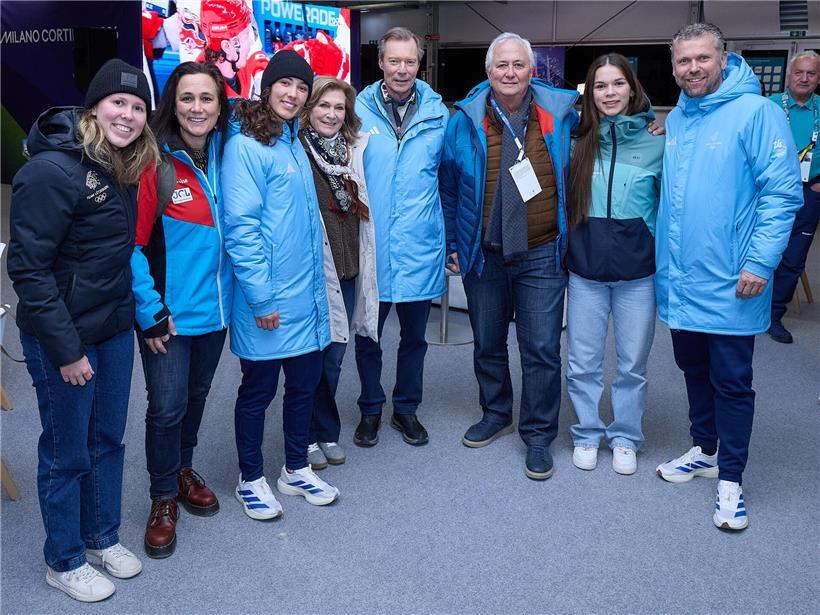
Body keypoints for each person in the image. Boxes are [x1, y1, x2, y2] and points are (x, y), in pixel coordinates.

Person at [7, 59, 158, 601]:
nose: (128, 114)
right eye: (118, 102)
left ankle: (100, 536)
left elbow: (114, 259)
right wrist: (68, 351)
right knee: (67, 450)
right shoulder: (51, 170)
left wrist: (140, 318)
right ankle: (64, 558)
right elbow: (28, 270)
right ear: (93, 107)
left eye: (138, 106)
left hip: (113, 328)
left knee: (107, 442)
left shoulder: (119, 164)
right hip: (62, 339)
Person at [654, 23, 802, 530]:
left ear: (723, 58)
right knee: (693, 370)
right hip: (682, 277)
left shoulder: (757, 113)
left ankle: (732, 480)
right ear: (673, 66)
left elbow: (782, 194)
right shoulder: (677, 119)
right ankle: (705, 449)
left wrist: (761, 262)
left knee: (733, 381)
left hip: (733, 278)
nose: (692, 68)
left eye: (702, 58)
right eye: (683, 61)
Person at [440, 32, 578, 480]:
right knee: (487, 342)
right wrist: (454, 242)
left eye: (518, 65)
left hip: (541, 251)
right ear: (488, 71)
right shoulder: (463, 120)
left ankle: (538, 435)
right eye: (502, 65)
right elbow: (447, 187)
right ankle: (496, 412)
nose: (510, 72)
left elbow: (609, 129)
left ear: (532, 70)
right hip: (486, 253)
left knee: (541, 348)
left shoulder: (561, 114)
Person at [221, 50, 340, 519]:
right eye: (284, 84)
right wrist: (261, 297)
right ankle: (250, 477)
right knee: (258, 392)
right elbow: (242, 230)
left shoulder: (291, 140)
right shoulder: (246, 145)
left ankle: (294, 468)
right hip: (268, 301)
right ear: (266, 87)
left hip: (305, 298)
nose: (293, 94)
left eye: (301, 88)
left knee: (304, 386)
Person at [131, 62, 232, 558]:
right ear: (173, 102)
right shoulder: (156, 161)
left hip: (215, 314)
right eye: (188, 98)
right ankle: (162, 497)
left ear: (220, 105)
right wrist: (149, 310)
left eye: (207, 99)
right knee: (166, 410)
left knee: (194, 400)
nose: (197, 108)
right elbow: (131, 246)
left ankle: (182, 467)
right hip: (168, 319)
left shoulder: (229, 153)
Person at [564, 54, 665, 475]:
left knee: (631, 364)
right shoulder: (575, 138)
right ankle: (587, 432)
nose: (610, 93)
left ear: (632, 87)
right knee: (582, 362)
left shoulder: (658, 141)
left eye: (617, 84)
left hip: (637, 276)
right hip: (585, 272)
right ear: (590, 92)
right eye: (601, 86)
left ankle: (625, 435)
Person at [353, 27, 448, 448]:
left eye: (410, 61)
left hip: (418, 245)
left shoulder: (437, 112)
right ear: (380, 62)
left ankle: (405, 408)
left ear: (419, 64)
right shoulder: (356, 109)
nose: (402, 69)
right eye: (394, 60)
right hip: (371, 247)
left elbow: (451, 178)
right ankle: (371, 408)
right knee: (368, 335)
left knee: (415, 339)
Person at [298, 76, 379, 470]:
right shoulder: (296, 151)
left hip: (349, 270)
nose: (331, 114)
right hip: (313, 273)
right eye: (323, 106)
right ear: (308, 109)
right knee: (311, 359)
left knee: (334, 358)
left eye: (338, 107)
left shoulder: (350, 150)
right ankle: (307, 436)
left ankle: (323, 428)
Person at [766, 50, 820, 343]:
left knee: (794, 257)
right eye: (799, 72)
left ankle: (773, 316)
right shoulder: (768, 106)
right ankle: (749, 310)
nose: (804, 78)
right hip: (768, 191)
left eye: (811, 73)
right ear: (789, 76)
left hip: (808, 193)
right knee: (758, 249)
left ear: (818, 78)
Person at [197, 0, 268, 99]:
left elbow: (256, 57)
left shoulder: (239, 63)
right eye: (246, 35)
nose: (251, 43)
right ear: (227, 46)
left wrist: (261, 71)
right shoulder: (206, 94)